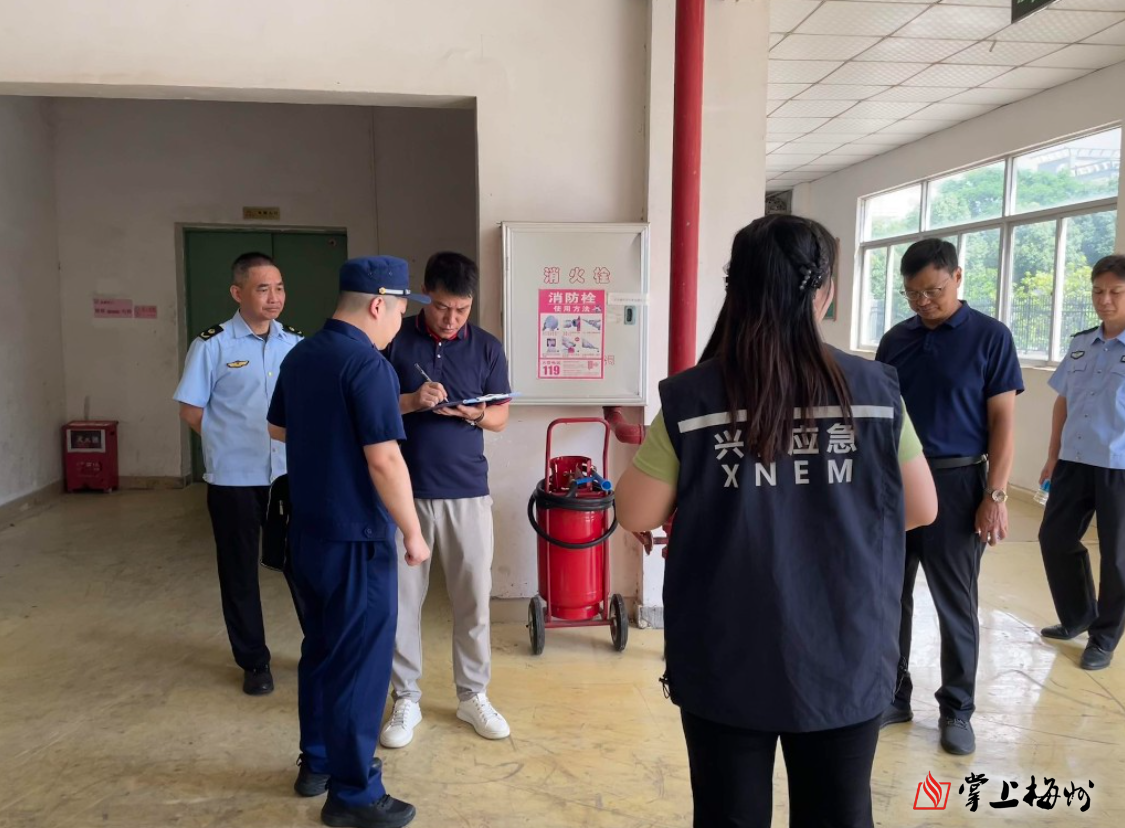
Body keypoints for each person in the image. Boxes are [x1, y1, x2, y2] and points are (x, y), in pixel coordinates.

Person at [615, 214, 938, 828]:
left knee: (729, 815)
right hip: (844, 646)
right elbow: (921, 507)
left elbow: (635, 511)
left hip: (728, 649)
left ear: (736, 290)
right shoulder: (874, 391)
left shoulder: (695, 396)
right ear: (826, 292)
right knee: (839, 813)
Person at [267, 255, 430, 828]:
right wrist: (413, 532)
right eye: (402, 311)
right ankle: (354, 793)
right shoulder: (368, 365)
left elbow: (278, 428)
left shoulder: (302, 354)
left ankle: (316, 763)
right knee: (359, 666)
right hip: (358, 539)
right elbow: (385, 460)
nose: (400, 324)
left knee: (321, 651)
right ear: (379, 304)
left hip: (308, 532)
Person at [876, 238, 1023, 755]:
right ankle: (893, 694)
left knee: (955, 602)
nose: (923, 303)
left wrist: (995, 494)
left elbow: (1003, 424)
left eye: (933, 291)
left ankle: (957, 708)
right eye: (912, 294)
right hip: (896, 483)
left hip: (959, 484)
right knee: (889, 595)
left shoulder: (991, 337)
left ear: (957, 277)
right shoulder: (896, 340)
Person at [379, 252, 512, 748]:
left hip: (468, 493)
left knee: (473, 598)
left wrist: (472, 414)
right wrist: (412, 401)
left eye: (462, 310)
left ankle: (472, 695)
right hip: (403, 493)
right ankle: (406, 697)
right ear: (424, 296)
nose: (451, 319)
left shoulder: (487, 347)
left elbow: (501, 416)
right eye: (441, 307)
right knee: (401, 602)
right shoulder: (394, 340)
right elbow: (369, 408)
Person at [173, 251, 304, 696]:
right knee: (239, 573)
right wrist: (227, 444)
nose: (274, 297)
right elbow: (191, 410)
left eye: (279, 288)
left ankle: (320, 649)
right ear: (237, 292)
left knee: (304, 564)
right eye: (263, 289)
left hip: (287, 476)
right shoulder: (212, 345)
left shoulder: (296, 345)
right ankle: (254, 661)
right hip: (234, 480)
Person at [1038, 254, 1125, 672]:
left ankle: (1104, 637)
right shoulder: (1080, 343)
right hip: (1073, 460)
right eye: (1097, 291)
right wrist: (1052, 455)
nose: (1104, 300)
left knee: (1118, 557)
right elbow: (1063, 401)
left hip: (1118, 466)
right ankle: (1079, 615)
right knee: (1054, 538)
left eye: (1115, 292)